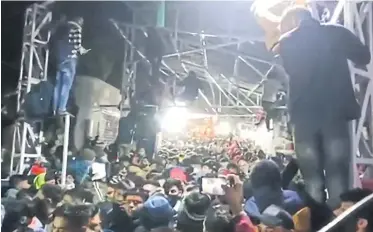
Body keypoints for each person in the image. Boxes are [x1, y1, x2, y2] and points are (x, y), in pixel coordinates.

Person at [277, 6, 371, 208]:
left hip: (303, 121)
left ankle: (318, 225)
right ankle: (339, 225)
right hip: (334, 116)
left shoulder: (285, 43)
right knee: (337, 177)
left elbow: (292, 72)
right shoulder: (336, 32)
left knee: (313, 182)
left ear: (293, 21)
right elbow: (364, 56)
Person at [53, 16, 90, 115]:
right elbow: (77, 45)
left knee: (58, 85)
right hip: (70, 60)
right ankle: (61, 109)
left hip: (60, 59)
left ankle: (54, 108)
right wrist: (82, 50)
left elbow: (67, 42)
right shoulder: (77, 29)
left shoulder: (64, 28)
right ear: (79, 21)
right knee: (66, 85)